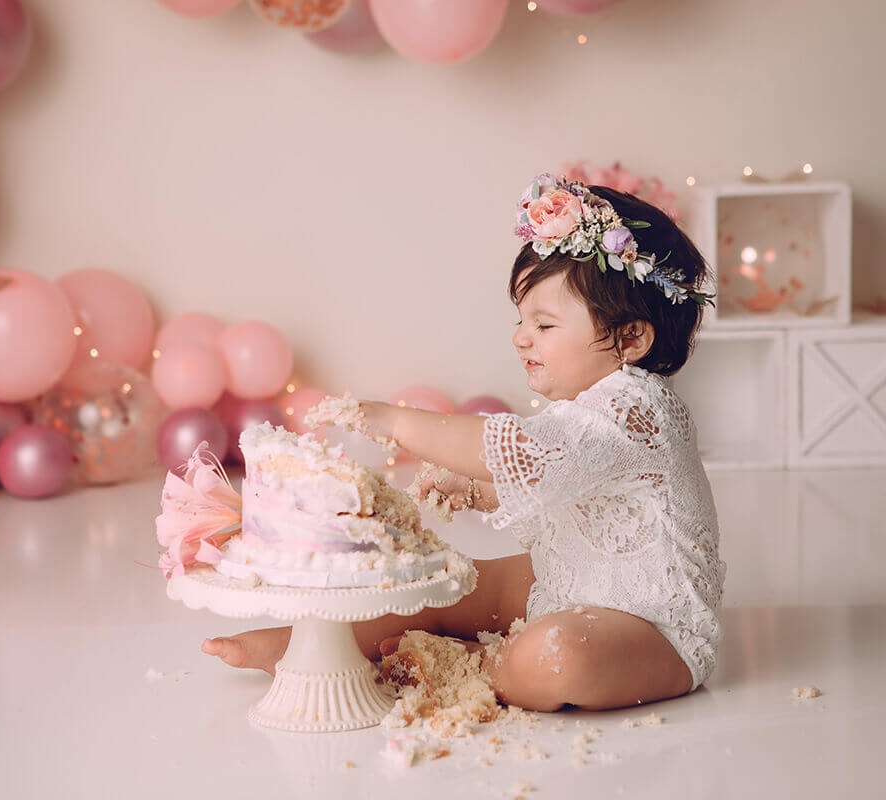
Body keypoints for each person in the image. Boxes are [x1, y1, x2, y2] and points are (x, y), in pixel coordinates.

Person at [203, 174, 725, 712]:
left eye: (544, 325)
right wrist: (475, 491)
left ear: (632, 338)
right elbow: (570, 485)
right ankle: (304, 645)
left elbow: (526, 454)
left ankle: (469, 661)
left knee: (558, 654)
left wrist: (398, 422)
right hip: (566, 582)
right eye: (520, 320)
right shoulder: (584, 408)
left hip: (651, 628)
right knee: (443, 586)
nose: (521, 337)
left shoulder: (637, 407)